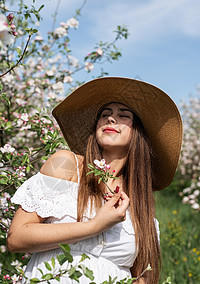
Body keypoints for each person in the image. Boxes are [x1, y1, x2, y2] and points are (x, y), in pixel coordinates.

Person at [7, 77, 183, 284]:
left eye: (123, 115)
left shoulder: (140, 201)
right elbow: (16, 238)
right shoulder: (67, 165)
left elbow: (144, 275)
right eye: (105, 114)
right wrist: (94, 226)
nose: (110, 119)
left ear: (138, 134)